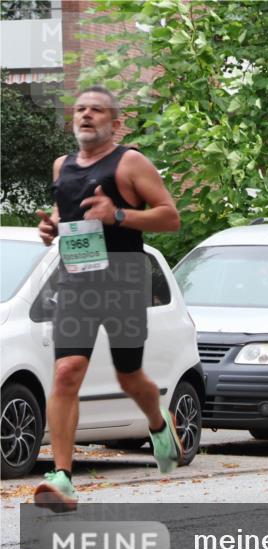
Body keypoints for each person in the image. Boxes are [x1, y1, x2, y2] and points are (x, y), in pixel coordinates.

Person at [33, 86, 183, 512]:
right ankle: (62, 477)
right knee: (67, 371)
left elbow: (170, 217)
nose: (86, 116)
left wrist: (117, 214)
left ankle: (159, 424)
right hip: (77, 280)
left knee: (129, 375)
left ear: (116, 123)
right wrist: (52, 228)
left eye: (96, 110)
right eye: (80, 109)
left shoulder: (130, 162)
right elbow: (67, 216)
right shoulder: (62, 166)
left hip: (124, 278)